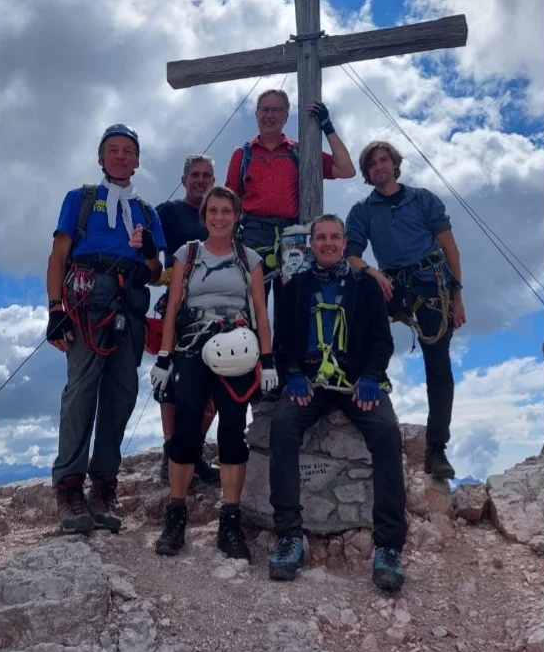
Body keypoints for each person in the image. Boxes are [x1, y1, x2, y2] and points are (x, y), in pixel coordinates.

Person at [268, 214, 406, 590]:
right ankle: (289, 535)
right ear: (311, 243)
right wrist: (293, 373)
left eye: (335, 237)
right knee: (282, 426)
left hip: (355, 381)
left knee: (386, 432)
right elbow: (282, 343)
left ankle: (389, 545)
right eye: (321, 237)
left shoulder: (365, 286)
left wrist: (371, 377)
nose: (328, 243)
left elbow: (382, 340)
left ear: (345, 243)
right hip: (310, 381)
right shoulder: (294, 287)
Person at [47, 124, 165, 535]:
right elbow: (59, 253)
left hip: (128, 307)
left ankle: (103, 488)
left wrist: (149, 252)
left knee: (121, 394)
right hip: (84, 304)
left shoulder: (146, 213)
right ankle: (68, 488)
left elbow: (155, 273)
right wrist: (53, 309)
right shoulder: (80, 200)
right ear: (101, 158)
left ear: (136, 160)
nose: (119, 156)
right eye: (112, 150)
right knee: (81, 390)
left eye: (127, 150)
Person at [150, 185, 278, 562]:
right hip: (192, 348)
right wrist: (163, 356)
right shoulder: (187, 254)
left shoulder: (249, 258)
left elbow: (260, 310)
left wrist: (267, 360)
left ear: (237, 216)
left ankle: (230, 520)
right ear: (204, 215)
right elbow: (173, 307)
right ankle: (175, 515)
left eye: (227, 211)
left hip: (238, 348)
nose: (219, 217)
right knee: (186, 426)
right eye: (213, 211)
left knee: (232, 429)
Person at [345, 140, 466, 480]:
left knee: (438, 367)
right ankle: (362, 394)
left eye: (384, 160)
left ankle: (436, 449)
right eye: (372, 164)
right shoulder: (363, 211)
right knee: (355, 317)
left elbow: (450, 249)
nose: (380, 167)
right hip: (391, 284)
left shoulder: (423, 199)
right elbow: (351, 255)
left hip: (432, 284)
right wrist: (371, 271)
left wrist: (458, 298)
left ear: (395, 164)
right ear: (368, 173)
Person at [225, 89, 356, 313]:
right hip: (252, 236)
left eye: (277, 110)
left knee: (294, 306)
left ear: (286, 116)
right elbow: (229, 205)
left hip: (293, 237)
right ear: (256, 113)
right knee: (250, 308)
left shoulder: (302, 151)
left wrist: (327, 126)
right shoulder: (242, 155)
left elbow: (346, 170)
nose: (270, 115)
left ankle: (288, 350)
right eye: (265, 109)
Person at [153, 154, 219, 486]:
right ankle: (172, 454)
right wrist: (158, 275)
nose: (201, 180)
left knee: (214, 381)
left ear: (214, 180)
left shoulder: (221, 214)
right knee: (173, 383)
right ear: (183, 180)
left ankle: (191, 450)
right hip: (179, 306)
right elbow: (145, 249)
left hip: (217, 309)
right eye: (194, 174)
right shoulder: (168, 212)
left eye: (207, 175)